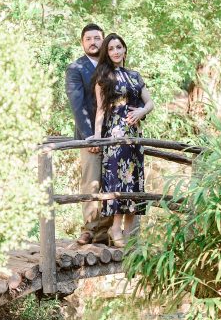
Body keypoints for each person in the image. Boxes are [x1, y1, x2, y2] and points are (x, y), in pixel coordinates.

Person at [91, 34, 154, 248]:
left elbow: (150, 102)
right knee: (118, 181)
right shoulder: (104, 76)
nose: (116, 51)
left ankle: (130, 234)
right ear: (107, 53)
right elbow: (100, 110)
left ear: (125, 50)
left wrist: (141, 112)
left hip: (135, 136)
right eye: (111, 49)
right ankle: (115, 229)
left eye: (119, 47)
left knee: (134, 181)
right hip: (116, 135)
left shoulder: (135, 76)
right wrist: (98, 138)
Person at [64, 23, 113, 245]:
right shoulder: (76, 69)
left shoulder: (112, 66)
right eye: (88, 39)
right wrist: (89, 136)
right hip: (90, 136)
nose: (93, 42)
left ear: (103, 40)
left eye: (97, 38)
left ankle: (107, 231)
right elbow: (77, 106)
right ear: (82, 43)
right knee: (91, 181)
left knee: (112, 182)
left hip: (114, 135)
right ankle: (90, 229)